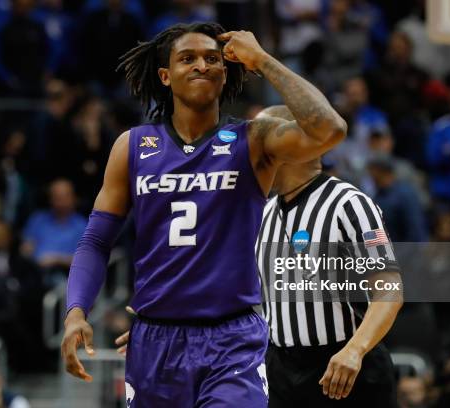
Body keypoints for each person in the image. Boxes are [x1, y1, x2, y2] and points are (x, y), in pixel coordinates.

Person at [61, 22, 346, 407]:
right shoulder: (131, 147)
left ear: (226, 72)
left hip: (232, 339)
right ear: (165, 76)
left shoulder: (253, 139)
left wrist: (263, 60)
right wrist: (76, 310)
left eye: (213, 59)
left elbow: (329, 129)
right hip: (155, 340)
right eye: (188, 58)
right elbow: (96, 241)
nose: (202, 65)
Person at [255, 105, 402, 407]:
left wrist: (355, 350)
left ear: (290, 145)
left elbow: (390, 289)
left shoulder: (349, 204)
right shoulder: (262, 213)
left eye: (260, 140)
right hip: (281, 372)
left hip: (346, 368)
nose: (252, 151)